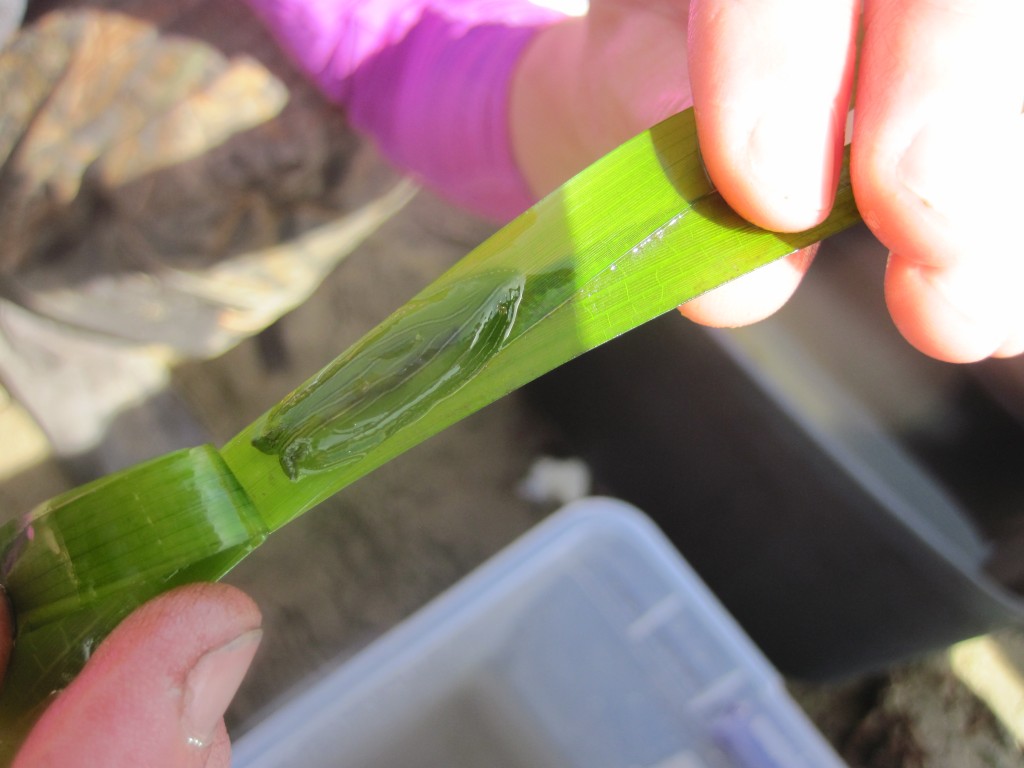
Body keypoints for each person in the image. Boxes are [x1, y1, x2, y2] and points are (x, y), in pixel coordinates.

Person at [4, 0, 1020, 764]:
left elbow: (414, 50)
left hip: (391, 91)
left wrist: (572, 92)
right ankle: (63, 347)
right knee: (110, 248)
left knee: (228, 269)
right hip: (151, 83)